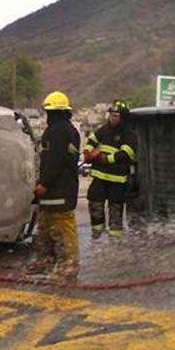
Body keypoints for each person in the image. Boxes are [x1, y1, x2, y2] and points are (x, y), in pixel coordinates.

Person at [28, 91, 81, 281]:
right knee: (45, 228)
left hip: (59, 191)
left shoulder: (57, 131)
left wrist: (43, 184)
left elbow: (55, 161)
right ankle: (45, 261)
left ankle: (68, 267)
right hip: (55, 192)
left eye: (49, 112)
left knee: (63, 229)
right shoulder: (69, 130)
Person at [83, 99, 138, 239]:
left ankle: (115, 239)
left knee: (115, 209)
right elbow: (91, 140)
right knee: (94, 202)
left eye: (116, 116)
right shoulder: (104, 129)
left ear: (123, 117)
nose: (112, 118)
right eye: (111, 115)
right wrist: (88, 152)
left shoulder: (129, 134)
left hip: (117, 180)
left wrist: (106, 159)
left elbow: (127, 153)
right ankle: (97, 234)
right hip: (99, 176)